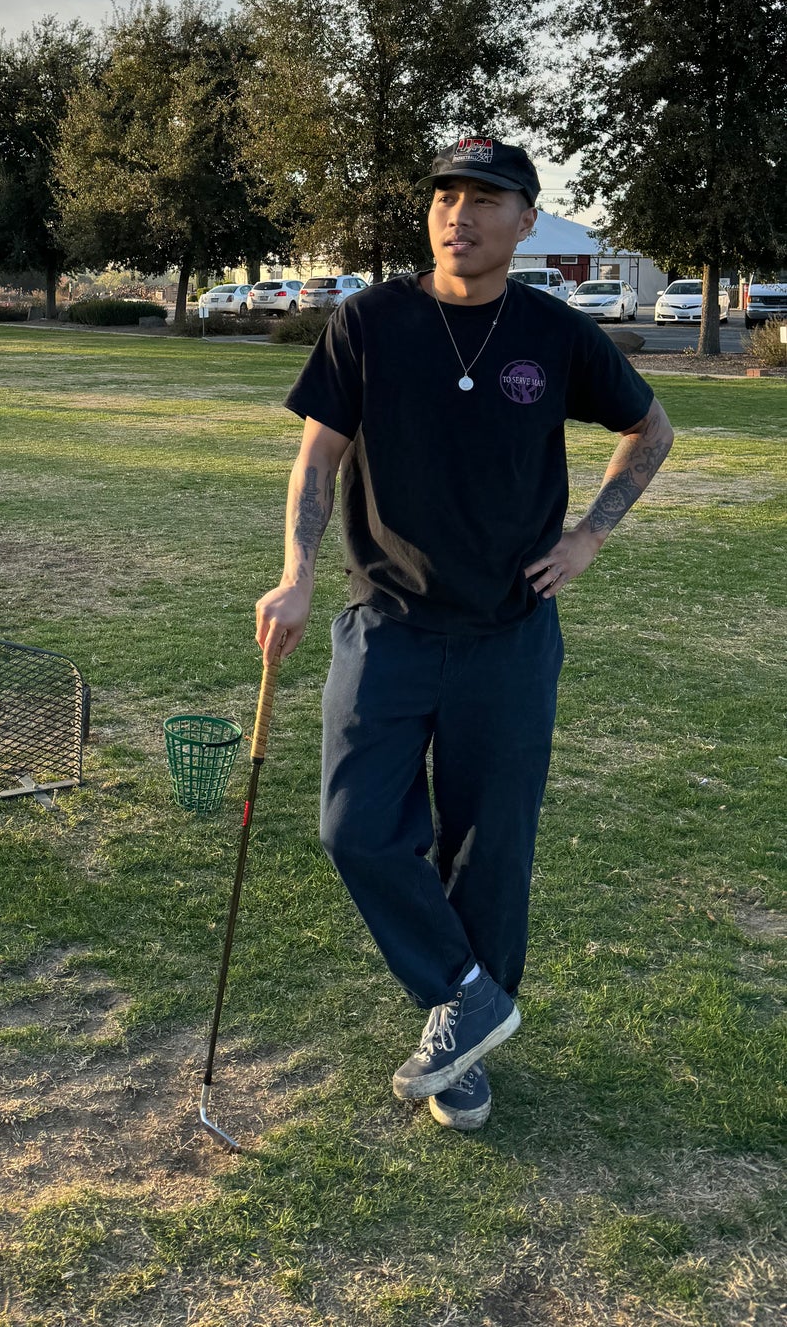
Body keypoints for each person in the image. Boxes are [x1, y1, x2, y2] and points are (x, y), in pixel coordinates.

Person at [255, 137, 674, 1133]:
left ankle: (460, 1052)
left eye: (485, 199)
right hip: (384, 623)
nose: (459, 214)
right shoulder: (368, 323)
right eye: (445, 195)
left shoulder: (555, 333)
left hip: (508, 635)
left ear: (525, 221)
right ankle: (465, 993)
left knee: (488, 849)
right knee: (355, 827)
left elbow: (649, 431)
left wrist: (587, 539)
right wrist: (295, 575)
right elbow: (318, 461)